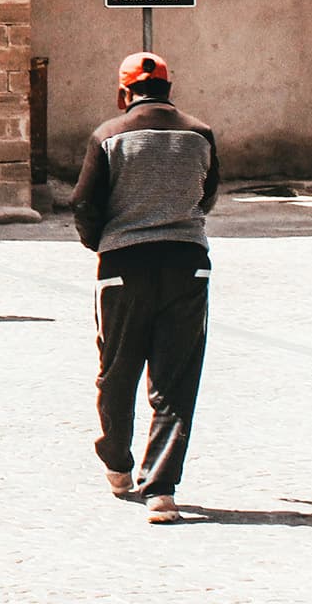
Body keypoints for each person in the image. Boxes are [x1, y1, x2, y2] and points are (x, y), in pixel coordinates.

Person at [71, 52, 219, 525]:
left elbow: (83, 204)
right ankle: (161, 491)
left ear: (123, 93)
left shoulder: (108, 136)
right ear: (170, 89)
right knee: (175, 379)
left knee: (117, 370)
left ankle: (117, 463)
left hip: (122, 266)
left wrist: (104, 242)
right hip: (187, 264)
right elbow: (208, 195)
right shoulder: (200, 134)